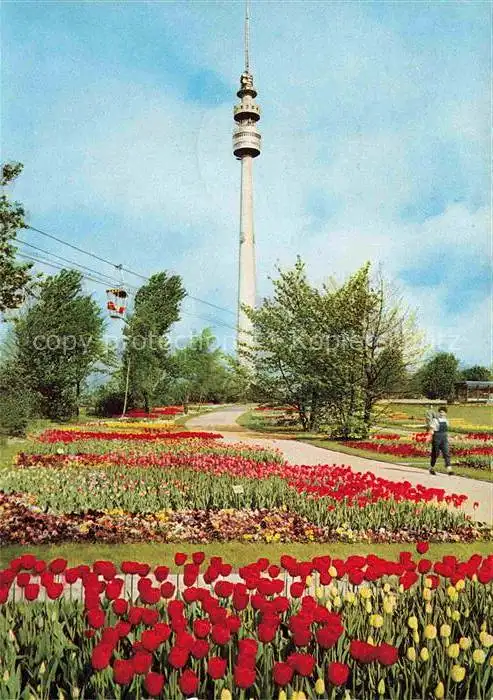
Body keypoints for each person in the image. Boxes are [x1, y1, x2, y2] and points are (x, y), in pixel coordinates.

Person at [428, 406, 454, 475]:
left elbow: (446, 430)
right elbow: (431, 429)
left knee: (446, 453)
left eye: (443, 412)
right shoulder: (435, 420)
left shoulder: (446, 421)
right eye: (440, 412)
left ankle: (449, 469)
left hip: (444, 439)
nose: (441, 414)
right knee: (435, 454)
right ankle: (431, 468)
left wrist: (449, 437)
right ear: (438, 413)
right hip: (436, 438)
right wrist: (430, 436)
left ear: (445, 413)